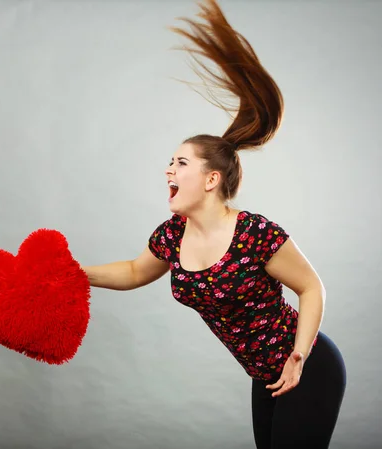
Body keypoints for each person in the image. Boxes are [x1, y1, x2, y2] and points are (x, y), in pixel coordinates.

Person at [81, 1, 346, 448]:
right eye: (168, 162)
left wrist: (299, 354)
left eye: (179, 163)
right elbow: (132, 272)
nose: (168, 170)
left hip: (307, 366)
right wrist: (73, 272)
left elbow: (311, 288)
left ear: (210, 179)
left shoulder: (254, 233)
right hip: (264, 374)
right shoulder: (170, 237)